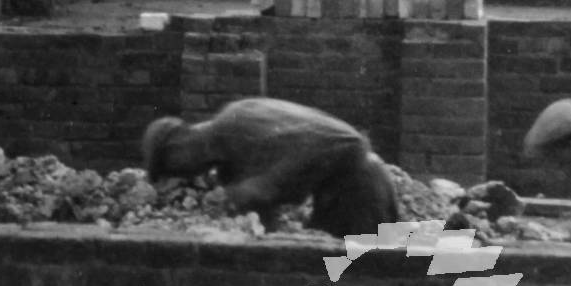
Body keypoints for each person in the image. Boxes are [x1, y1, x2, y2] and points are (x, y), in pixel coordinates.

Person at [142, 97, 400, 238]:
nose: (184, 177)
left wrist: (261, 186)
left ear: (177, 148)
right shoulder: (228, 167)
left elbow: (345, 140)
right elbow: (266, 227)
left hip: (360, 189)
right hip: (335, 197)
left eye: (173, 169)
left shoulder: (237, 121)